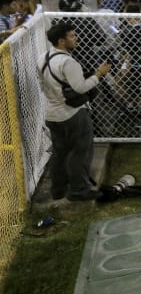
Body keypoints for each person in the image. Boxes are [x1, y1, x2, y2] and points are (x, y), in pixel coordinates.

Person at [41, 21, 110, 201]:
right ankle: (79, 191)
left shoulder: (43, 58)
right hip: (72, 114)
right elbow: (80, 88)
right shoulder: (67, 62)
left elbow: (45, 86)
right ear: (61, 41)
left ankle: (58, 190)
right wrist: (98, 75)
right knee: (80, 152)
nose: (75, 38)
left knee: (59, 153)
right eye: (72, 36)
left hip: (52, 115)